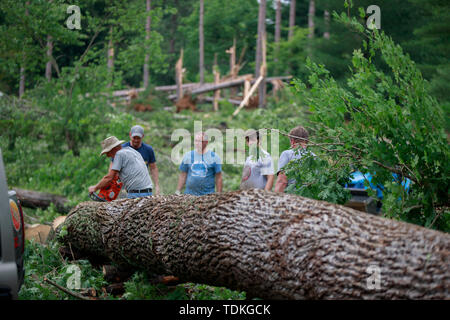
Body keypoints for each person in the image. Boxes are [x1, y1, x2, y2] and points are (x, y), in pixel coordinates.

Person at [89, 136, 153, 199]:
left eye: (108, 152)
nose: (108, 156)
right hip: (148, 192)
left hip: (136, 194)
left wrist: (95, 188)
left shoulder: (119, 154)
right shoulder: (132, 151)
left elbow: (109, 178)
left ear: (114, 148)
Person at [121, 125, 160, 195]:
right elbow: (113, 168)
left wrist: (157, 185)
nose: (136, 140)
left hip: (143, 188)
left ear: (143, 136)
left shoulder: (148, 150)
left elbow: (153, 168)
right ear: (130, 135)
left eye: (138, 138)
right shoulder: (123, 149)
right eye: (134, 138)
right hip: (126, 188)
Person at [274, 126, 315, 193]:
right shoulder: (314, 157)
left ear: (292, 141)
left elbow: (282, 181)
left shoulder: (287, 154)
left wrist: (275, 199)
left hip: (292, 198)